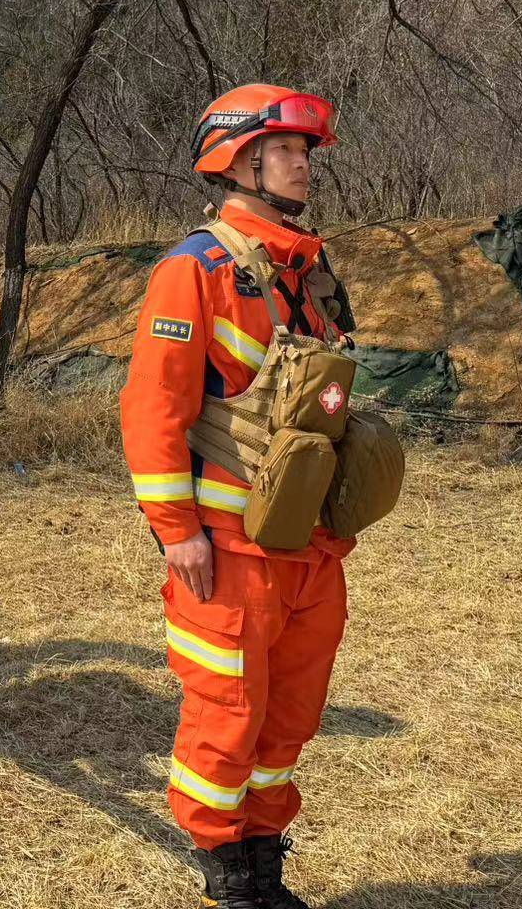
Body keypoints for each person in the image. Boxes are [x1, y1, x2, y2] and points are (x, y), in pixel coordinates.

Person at [120, 84, 358, 909]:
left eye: (303, 152)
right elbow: (153, 409)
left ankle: (265, 860)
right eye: (288, 152)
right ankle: (224, 873)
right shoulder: (195, 270)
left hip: (310, 543)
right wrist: (175, 530)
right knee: (227, 711)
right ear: (241, 158)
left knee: (288, 717)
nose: (302, 166)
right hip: (227, 546)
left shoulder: (309, 269)